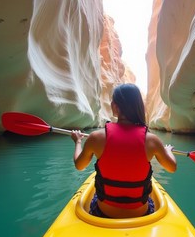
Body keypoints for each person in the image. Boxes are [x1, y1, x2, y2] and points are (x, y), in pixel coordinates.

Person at [71, 83, 176, 219]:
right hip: (141, 214)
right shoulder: (152, 141)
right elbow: (172, 167)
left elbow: (79, 165)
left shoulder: (96, 137)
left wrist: (78, 141)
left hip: (103, 213)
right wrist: (168, 151)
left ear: (115, 107)